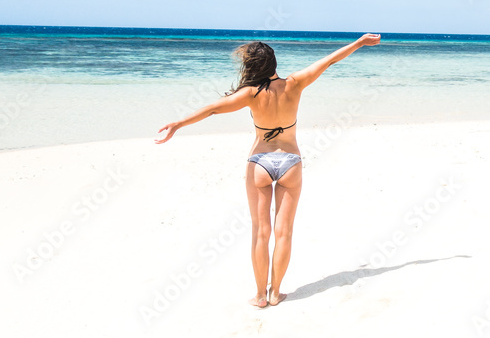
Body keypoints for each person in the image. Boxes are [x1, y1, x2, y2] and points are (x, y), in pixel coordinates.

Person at [155, 33, 381, 307]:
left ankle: (261, 295)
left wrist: (177, 125)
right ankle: (276, 293)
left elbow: (213, 110)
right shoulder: (295, 83)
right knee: (283, 231)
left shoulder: (251, 93)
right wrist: (358, 43)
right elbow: (329, 61)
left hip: (260, 163)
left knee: (260, 232)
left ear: (252, 67)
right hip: (290, 163)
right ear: (274, 62)